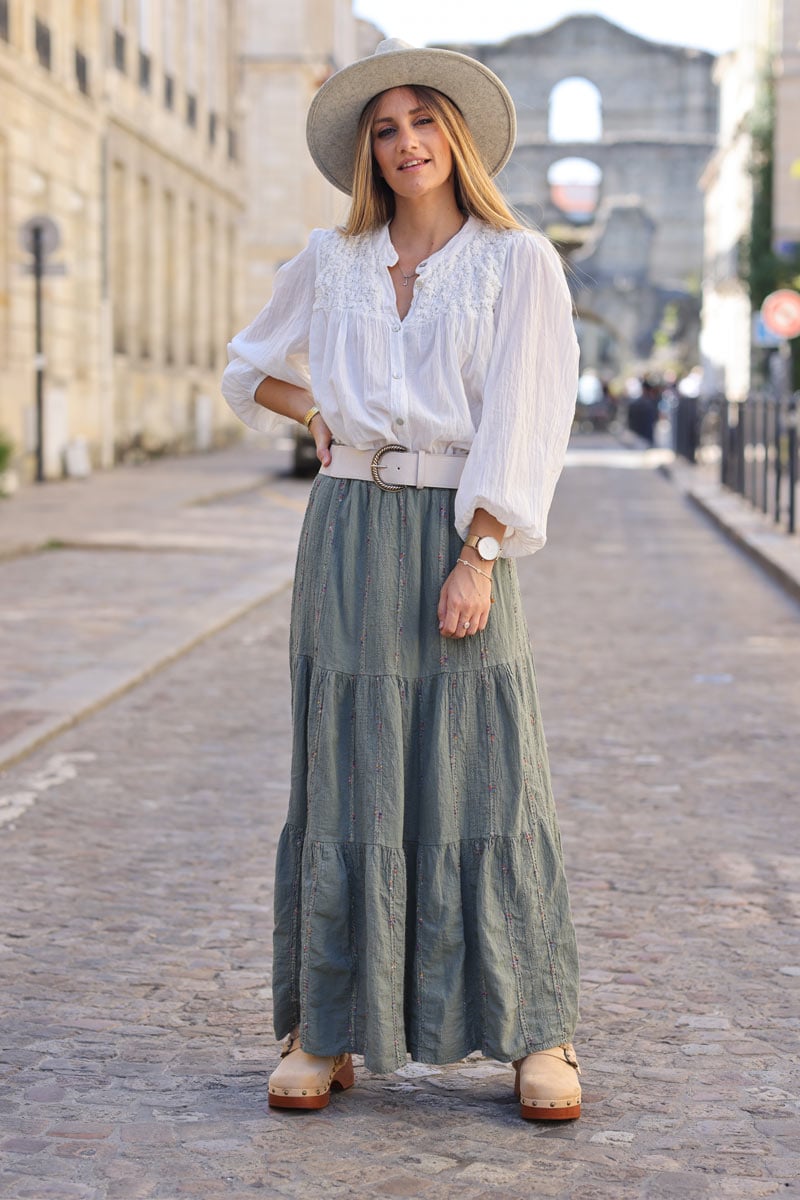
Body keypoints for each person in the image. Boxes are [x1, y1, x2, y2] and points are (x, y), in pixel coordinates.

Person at [221, 38, 582, 1121]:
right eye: (385, 128)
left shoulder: (515, 262)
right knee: (345, 770)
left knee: (485, 773)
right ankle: (324, 1030)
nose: (406, 142)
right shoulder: (330, 263)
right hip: (343, 529)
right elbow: (247, 367)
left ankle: (535, 1030)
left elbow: (529, 414)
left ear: (455, 139)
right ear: (365, 154)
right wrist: (318, 413)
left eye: (423, 121)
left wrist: (478, 550)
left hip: (453, 531)